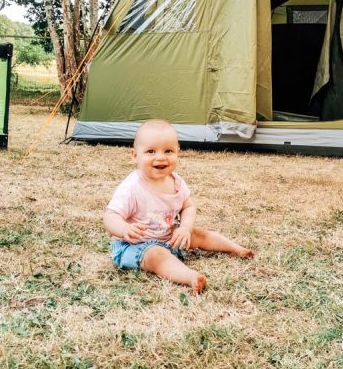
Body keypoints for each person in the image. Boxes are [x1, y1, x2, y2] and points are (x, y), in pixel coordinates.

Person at [103, 119, 254, 293]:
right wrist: (124, 229)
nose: (161, 157)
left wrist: (185, 228)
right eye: (151, 151)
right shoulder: (131, 188)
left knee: (197, 233)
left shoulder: (176, 182)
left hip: (169, 237)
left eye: (168, 151)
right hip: (134, 245)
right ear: (135, 155)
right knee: (157, 255)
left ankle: (236, 249)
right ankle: (190, 277)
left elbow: (188, 206)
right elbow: (110, 216)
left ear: (178, 152)